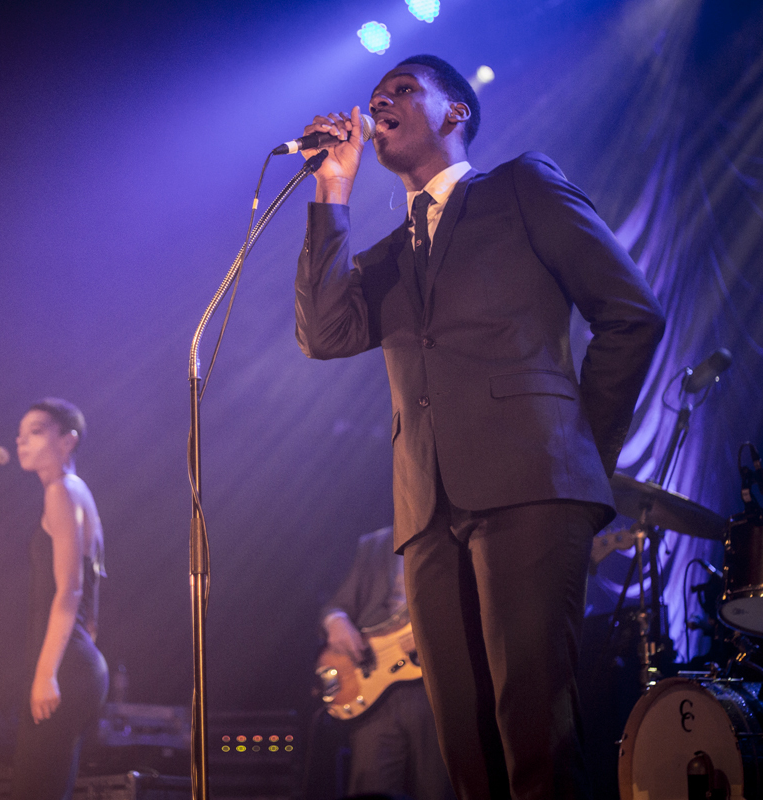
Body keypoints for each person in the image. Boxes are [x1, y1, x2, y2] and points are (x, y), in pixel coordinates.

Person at [292, 55, 666, 799]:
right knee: (463, 747)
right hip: (426, 508)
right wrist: (332, 189)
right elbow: (324, 331)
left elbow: (631, 315)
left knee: (534, 731)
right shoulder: (392, 253)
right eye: (376, 97)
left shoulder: (521, 186)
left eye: (403, 91)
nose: (382, 103)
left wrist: (577, 456)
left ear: (456, 112)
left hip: (533, 486)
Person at [11, 398, 108, 800]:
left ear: (67, 441)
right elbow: (94, 593)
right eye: (20, 434)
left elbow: (70, 588)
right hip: (79, 662)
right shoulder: (78, 491)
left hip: (65, 665)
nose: (21, 442)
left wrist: (46, 672)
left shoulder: (60, 492)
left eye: (36, 432)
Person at [319, 526, 454, 800]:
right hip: (372, 685)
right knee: (370, 788)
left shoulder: (458, 535)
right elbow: (337, 604)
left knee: (437, 789)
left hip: (436, 688)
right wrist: (336, 622)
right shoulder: (375, 542)